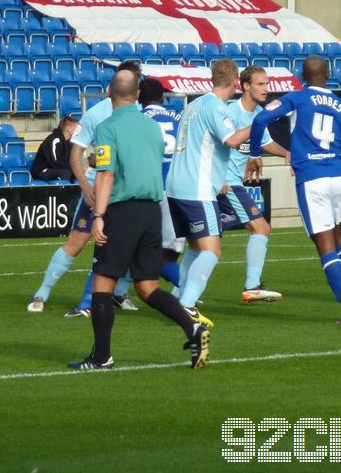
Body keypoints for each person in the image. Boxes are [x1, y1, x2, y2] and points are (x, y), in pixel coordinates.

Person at [68, 69, 209, 370]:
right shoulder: (151, 127)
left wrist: (98, 216)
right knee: (147, 287)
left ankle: (102, 357)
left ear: (109, 92)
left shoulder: (108, 127)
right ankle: (193, 328)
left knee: (103, 285)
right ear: (136, 95)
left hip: (122, 211)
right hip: (152, 211)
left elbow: (105, 174)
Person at [247, 56, 341, 325]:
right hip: (337, 176)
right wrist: (334, 164)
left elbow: (260, 121)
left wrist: (255, 153)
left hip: (311, 178)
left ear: (302, 75)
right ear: (328, 74)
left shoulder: (297, 98)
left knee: (324, 243)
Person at [27, 61, 139, 316]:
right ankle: (41, 293)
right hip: (98, 187)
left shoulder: (140, 112)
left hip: (127, 190)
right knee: (76, 243)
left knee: (128, 245)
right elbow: (76, 153)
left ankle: (116, 294)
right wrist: (85, 184)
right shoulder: (97, 113)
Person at [165, 59, 252, 328]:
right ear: (236, 82)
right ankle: (187, 306)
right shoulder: (215, 106)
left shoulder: (193, 104)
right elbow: (233, 140)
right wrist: (260, 121)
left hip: (177, 185)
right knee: (212, 250)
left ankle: (177, 296)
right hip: (197, 188)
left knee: (194, 246)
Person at [218, 66, 290, 303]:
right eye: (260, 84)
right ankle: (252, 286)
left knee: (206, 241)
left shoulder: (259, 114)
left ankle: (180, 294)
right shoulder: (229, 111)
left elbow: (266, 143)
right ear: (245, 86)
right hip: (225, 182)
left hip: (231, 182)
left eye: (267, 84)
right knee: (261, 228)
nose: (266, 89)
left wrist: (287, 154)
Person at [139, 78, 182, 290]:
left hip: (153, 189)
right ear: (162, 97)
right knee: (171, 252)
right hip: (180, 188)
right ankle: (185, 294)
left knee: (142, 250)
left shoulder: (139, 118)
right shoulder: (179, 117)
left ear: (139, 96)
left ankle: (187, 292)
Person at [31, 116, 77, 182]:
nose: (79, 131)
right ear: (68, 129)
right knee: (66, 174)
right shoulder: (54, 140)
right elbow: (55, 163)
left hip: (59, 169)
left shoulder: (70, 142)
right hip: (43, 170)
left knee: (81, 174)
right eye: (76, 128)